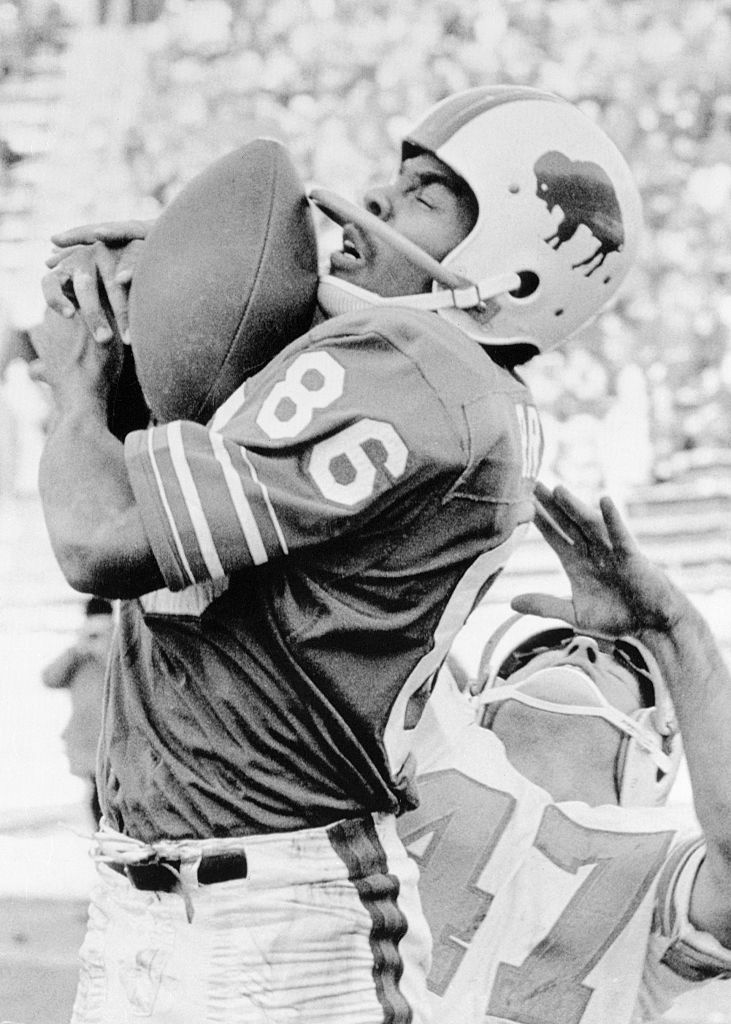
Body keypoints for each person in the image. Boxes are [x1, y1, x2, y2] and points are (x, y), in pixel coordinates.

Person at [36, 87, 641, 1024]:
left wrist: (77, 381)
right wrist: (157, 313)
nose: (376, 205)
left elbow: (100, 540)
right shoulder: (380, 361)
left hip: (264, 928)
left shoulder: (422, 362)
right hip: (168, 893)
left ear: (518, 268)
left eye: (425, 194)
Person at [399, 481, 731, 1023]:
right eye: (542, 647)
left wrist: (670, 626)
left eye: (621, 655)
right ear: (478, 700)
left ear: (662, 748)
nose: (576, 645)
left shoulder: (668, 864)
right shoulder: (415, 752)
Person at [42, 596, 114, 825]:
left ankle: (113, 847)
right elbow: (50, 678)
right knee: (98, 796)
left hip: (116, 737)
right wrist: (79, 648)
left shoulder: (118, 648)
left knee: (111, 795)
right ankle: (107, 847)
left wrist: (107, 649)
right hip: (90, 739)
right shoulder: (78, 655)